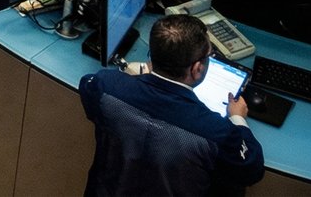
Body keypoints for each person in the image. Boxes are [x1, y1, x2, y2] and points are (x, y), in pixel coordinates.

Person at [80, 13, 265, 197]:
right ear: (197, 68)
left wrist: (139, 76)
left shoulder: (105, 86)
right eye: (209, 55)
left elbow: (87, 84)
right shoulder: (215, 131)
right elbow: (251, 169)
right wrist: (237, 117)